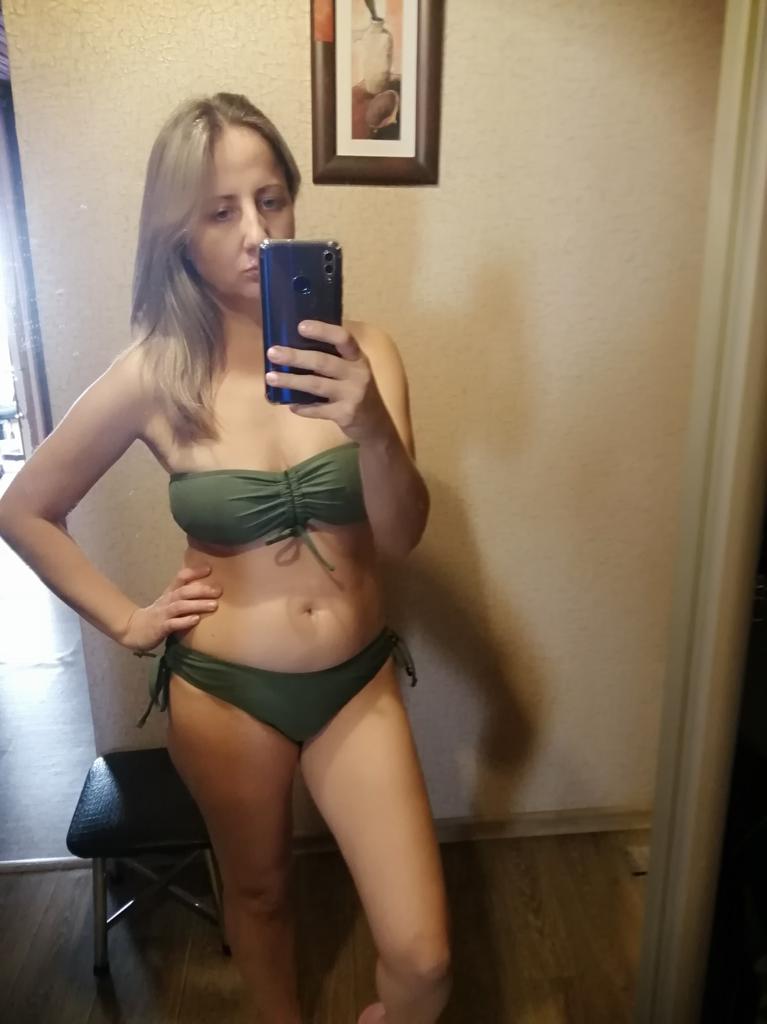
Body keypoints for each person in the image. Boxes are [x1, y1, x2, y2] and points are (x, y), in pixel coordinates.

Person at [0, 93, 452, 1024]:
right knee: (259, 895)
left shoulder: (367, 352)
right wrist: (129, 620)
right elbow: (25, 508)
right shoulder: (154, 375)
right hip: (224, 691)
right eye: (220, 211)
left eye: (271, 199)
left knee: (423, 961)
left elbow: (402, 534)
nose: (256, 232)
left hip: (356, 683)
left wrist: (369, 424)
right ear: (178, 235)